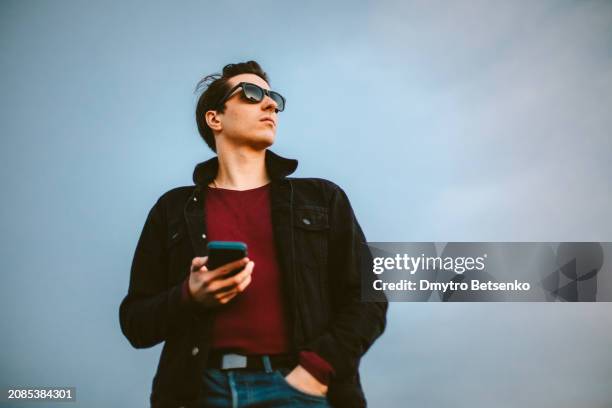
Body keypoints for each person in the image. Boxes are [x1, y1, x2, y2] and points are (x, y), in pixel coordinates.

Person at [119, 60, 388, 408]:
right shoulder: (172, 210)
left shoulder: (322, 198)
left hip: (300, 389)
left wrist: (317, 369)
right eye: (251, 93)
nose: (270, 104)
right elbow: (135, 323)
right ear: (214, 118)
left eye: (273, 97)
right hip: (199, 391)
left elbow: (370, 296)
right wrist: (189, 295)